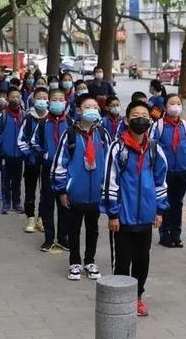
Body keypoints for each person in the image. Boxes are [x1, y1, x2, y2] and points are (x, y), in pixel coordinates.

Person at [103, 101, 168, 316]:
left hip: (146, 218)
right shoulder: (118, 148)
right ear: (127, 120)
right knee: (122, 261)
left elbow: (160, 181)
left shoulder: (154, 149)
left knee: (142, 261)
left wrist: (159, 210)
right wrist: (113, 213)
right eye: (135, 115)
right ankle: (120, 298)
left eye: (144, 115)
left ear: (149, 120)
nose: (140, 118)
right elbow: (110, 182)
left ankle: (137, 297)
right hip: (123, 218)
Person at [51, 94, 110, 281]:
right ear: (78, 110)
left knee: (93, 229)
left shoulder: (102, 134)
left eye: (95, 107)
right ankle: (74, 262)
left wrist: (106, 188)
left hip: (96, 194)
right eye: (87, 107)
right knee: (74, 229)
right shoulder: (69, 134)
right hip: (75, 193)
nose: (92, 110)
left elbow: (110, 163)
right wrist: (62, 190)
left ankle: (90, 261)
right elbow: (60, 164)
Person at [151, 94, 186, 248]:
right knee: (164, 203)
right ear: (165, 107)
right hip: (164, 173)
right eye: (172, 103)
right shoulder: (158, 126)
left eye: (178, 103)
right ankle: (164, 235)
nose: (176, 106)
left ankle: (176, 235)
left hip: (182, 171)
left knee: (177, 204)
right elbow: (151, 148)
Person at [31, 88, 73, 251]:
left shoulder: (70, 123)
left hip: (65, 172)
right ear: (49, 102)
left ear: (65, 102)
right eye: (54, 99)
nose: (58, 102)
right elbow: (34, 142)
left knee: (65, 205)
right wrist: (44, 155)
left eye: (60, 99)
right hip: (48, 169)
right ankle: (49, 237)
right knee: (47, 204)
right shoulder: (43, 123)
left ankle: (63, 237)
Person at [18, 86, 49, 233]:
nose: (42, 101)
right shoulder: (28, 118)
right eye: (39, 98)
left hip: (47, 161)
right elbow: (21, 140)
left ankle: (41, 219)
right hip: (31, 160)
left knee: (45, 190)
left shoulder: (50, 119)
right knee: (30, 188)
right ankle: (30, 217)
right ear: (33, 99)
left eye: (44, 98)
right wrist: (29, 154)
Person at [0, 87, 25, 214]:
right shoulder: (2, 115)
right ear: (7, 99)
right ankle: (6, 203)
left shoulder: (24, 115)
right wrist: (2, 146)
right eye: (13, 97)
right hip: (6, 154)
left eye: (18, 96)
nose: (15, 99)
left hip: (19, 155)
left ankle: (17, 203)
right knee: (5, 180)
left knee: (17, 180)